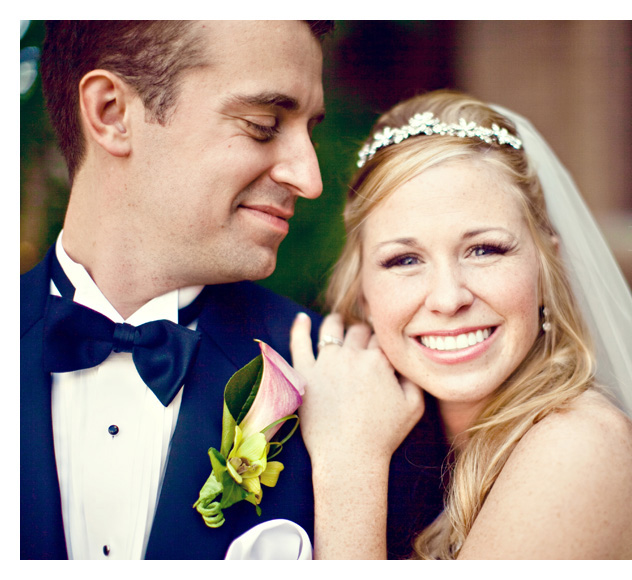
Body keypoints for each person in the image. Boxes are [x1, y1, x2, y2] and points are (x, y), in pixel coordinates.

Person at [20, 21, 446, 560]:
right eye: (264, 124)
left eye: (309, 130)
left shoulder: (364, 398)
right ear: (112, 112)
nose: (310, 179)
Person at [290, 90, 632, 559]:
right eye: (404, 259)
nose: (448, 298)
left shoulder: (580, 448)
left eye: (485, 250)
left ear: (547, 266)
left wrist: (351, 467)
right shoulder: (418, 450)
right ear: (363, 290)